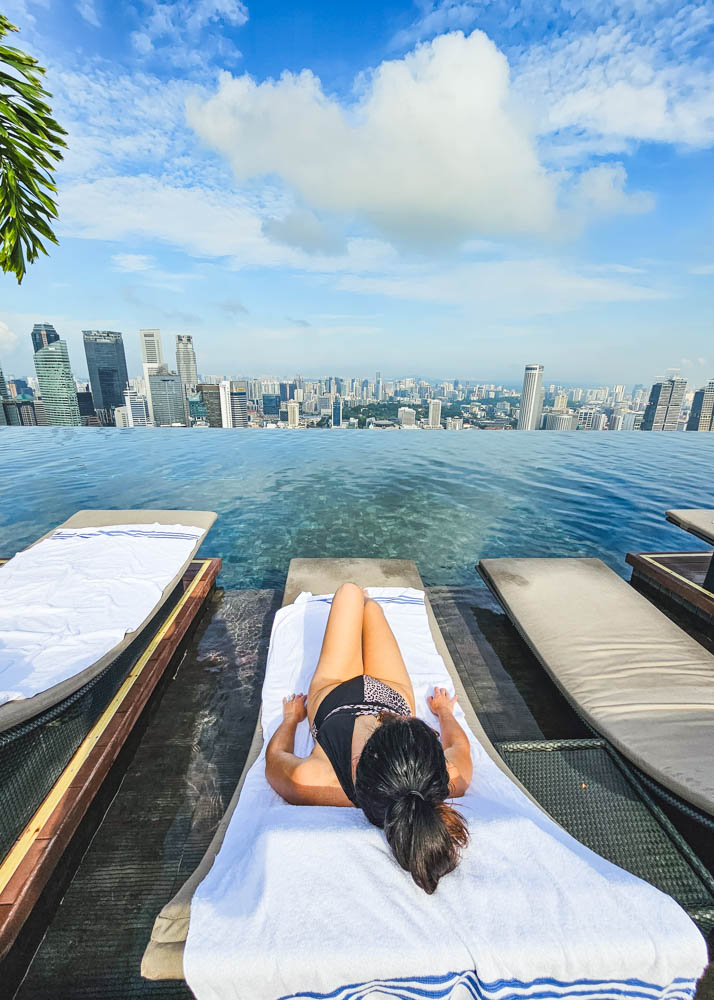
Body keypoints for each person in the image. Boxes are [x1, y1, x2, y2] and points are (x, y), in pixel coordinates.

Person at [265, 582, 473, 893]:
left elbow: (274, 758)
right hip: (392, 693)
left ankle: (360, 599)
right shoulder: (443, 778)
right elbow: (459, 746)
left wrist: (292, 719)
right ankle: (367, 604)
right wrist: (444, 712)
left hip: (335, 691)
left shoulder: (312, 781)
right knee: (371, 609)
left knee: (349, 592)